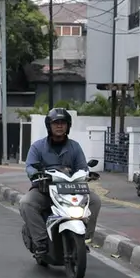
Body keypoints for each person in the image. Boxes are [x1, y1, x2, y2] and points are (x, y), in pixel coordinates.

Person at [20, 108, 103, 255]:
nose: (59, 126)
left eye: (63, 123)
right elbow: (30, 166)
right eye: (56, 123)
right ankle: (41, 242)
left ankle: (84, 239)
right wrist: (35, 175)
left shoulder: (75, 147)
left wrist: (87, 174)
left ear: (68, 126)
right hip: (45, 189)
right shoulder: (37, 147)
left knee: (95, 200)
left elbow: (83, 167)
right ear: (49, 126)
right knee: (26, 203)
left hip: (70, 189)